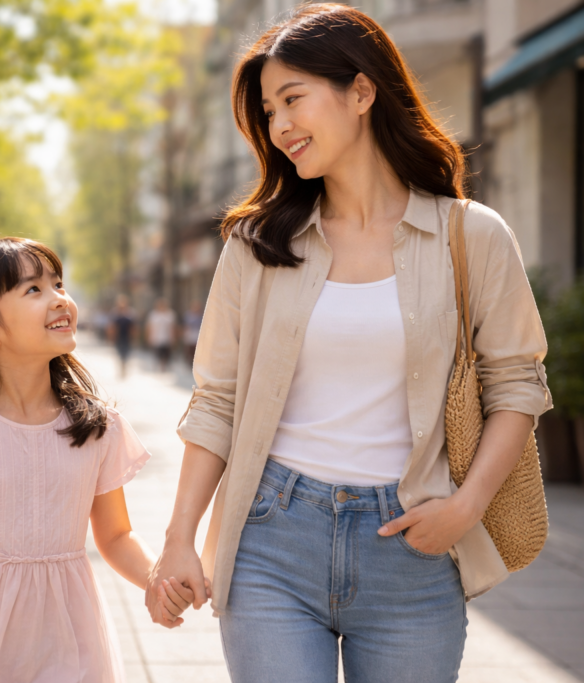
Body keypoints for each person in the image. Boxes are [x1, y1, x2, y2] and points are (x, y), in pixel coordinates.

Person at [145, 6, 552, 683]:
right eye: (268, 110)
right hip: (273, 538)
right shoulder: (257, 244)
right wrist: (178, 538)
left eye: (293, 99)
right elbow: (217, 399)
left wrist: (466, 507)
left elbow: (517, 385)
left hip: (413, 549)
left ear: (362, 92)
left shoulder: (472, 235)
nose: (279, 126)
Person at [0, 238, 198, 683]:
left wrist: (155, 580)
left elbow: (116, 535)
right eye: (34, 289)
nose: (60, 299)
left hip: (68, 636)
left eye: (58, 284)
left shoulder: (95, 427)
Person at [107, 295, 136, 379]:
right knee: (119, 354)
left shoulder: (130, 313)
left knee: (126, 354)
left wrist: (134, 338)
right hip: (118, 338)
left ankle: (124, 368)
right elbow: (111, 327)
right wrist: (111, 337)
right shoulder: (115, 313)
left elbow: (133, 327)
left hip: (127, 337)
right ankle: (121, 368)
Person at [145, 298, 176, 373]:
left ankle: (164, 365)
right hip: (156, 337)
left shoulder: (170, 314)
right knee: (158, 352)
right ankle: (160, 364)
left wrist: (173, 337)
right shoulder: (153, 314)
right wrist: (148, 336)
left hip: (166, 337)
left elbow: (172, 327)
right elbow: (149, 326)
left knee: (166, 352)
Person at [182, 300, 203, 366]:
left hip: (198, 334)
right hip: (190, 334)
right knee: (189, 349)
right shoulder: (188, 315)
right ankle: (190, 361)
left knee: (196, 349)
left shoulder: (201, 316)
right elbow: (185, 325)